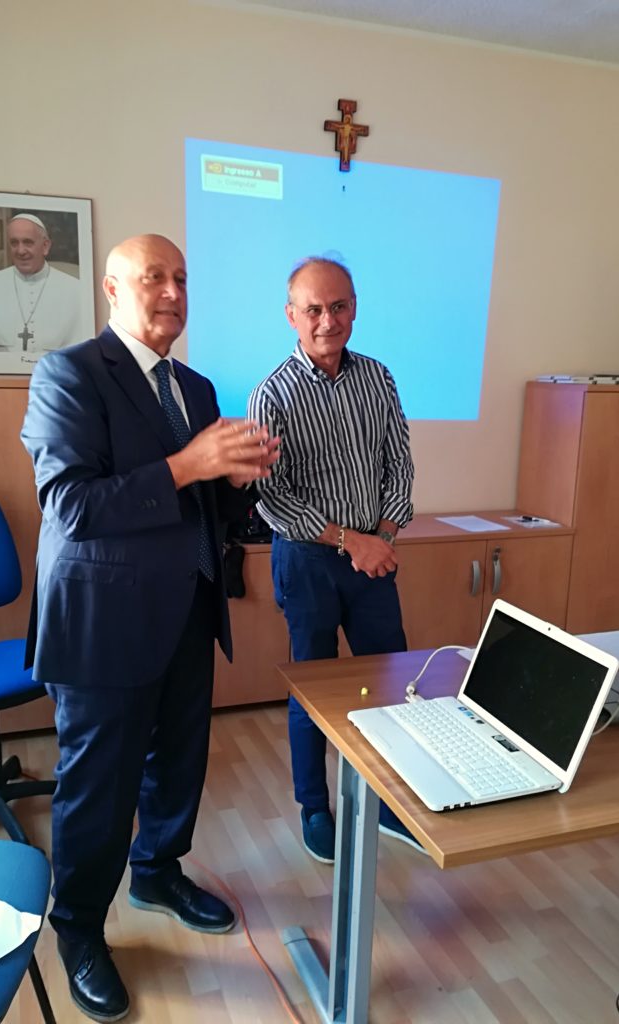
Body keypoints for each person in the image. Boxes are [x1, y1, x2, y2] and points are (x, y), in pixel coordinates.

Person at [21, 233, 279, 1023]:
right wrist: (190, 464)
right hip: (102, 622)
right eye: (153, 277)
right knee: (99, 787)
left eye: (182, 278)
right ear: (111, 287)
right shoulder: (68, 374)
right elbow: (72, 506)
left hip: (189, 605)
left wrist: (239, 481)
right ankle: (79, 929)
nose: (172, 292)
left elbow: (202, 501)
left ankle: (159, 871)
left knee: (179, 763)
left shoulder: (194, 387)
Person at [248, 256, 423, 863]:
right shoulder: (272, 394)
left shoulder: (378, 377)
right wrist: (352, 541)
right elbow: (271, 497)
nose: (328, 321)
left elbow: (399, 462)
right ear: (291, 315)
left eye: (340, 306)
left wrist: (385, 534)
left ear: (355, 308)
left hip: (375, 557)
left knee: (391, 685)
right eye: (314, 309)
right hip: (308, 561)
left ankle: (389, 801)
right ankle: (315, 808)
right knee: (314, 690)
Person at [0, 213, 83, 356]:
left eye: (28, 242)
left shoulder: (76, 290)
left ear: (45, 246)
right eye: (14, 243)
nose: (20, 251)